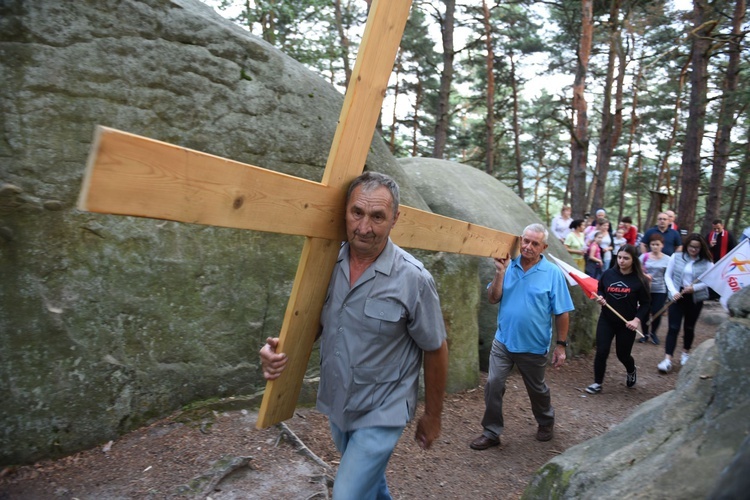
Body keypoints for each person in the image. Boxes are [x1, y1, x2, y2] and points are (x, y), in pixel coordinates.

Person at [260, 172, 449, 499]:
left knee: (347, 493)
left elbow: (435, 348)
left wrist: (432, 415)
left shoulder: (414, 279)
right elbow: (314, 323)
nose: (364, 227)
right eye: (357, 213)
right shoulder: (326, 263)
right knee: (370, 485)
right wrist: (280, 349)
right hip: (339, 399)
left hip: (383, 408)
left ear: (395, 220)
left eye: (378, 217)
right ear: (344, 211)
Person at [470, 224, 574, 449]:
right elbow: (493, 298)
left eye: (534, 243)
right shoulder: (508, 265)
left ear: (543, 246)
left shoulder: (553, 273)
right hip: (504, 341)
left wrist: (561, 346)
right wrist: (499, 272)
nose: (528, 246)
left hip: (533, 346)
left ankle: (546, 421)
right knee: (493, 383)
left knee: (537, 389)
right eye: (525, 241)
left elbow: (562, 312)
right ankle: (491, 431)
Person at [585, 245, 651, 394]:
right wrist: (601, 296)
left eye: (626, 258)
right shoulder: (609, 274)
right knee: (602, 351)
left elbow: (646, 304)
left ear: (634, 260)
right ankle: (597, 383)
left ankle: (631, 369)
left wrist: (636, 320)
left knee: (623, 355)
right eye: (619, 257)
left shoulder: (640, 280)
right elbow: (600, 288)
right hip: (607, 319)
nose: (621, 261)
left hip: (627, 324)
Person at [658, 234, 713, 373]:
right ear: (686, 246)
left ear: (701, 248)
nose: (693, 250)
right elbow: (668, 276)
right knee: (673, 327)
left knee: (689, 327)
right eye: (691, 247)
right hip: (677, 295)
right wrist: (673, 291)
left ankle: (685, 353)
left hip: (695, 298)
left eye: (697, 247)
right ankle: (667, 359)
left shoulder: (706, 262)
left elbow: (709, 280)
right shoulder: (676, 257)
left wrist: (694, 288)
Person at [638, 233, 671, 345]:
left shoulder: (668, 259)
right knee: (645, 311)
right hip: (645, 289)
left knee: (657, 311)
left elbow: (670, 275)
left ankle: (654, 333)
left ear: (662, 245)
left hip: (660, 289)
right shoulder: (644, 257)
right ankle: (645, 334)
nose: (655, 246)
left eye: (657, 244)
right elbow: (636, 270)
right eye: (652, 244)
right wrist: (644, 275)